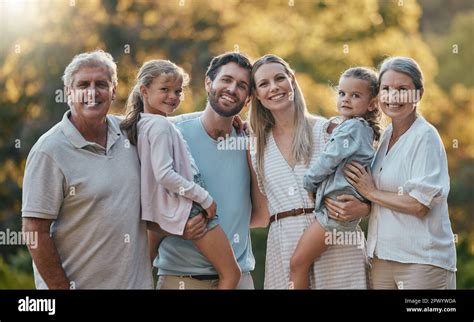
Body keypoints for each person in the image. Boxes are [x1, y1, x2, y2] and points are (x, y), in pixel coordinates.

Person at [21, 50, 153, 289]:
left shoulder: (130, 132)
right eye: (83, 84)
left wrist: (226, 120)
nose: (92, 92)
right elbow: (34, 233)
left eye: (101, 84)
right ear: (69, 92)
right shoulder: (49, 151)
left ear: (114, 91)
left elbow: (170, 127)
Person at [249, 54, 371, 289]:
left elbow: (371, 183)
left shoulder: (331, 130)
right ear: (255, 93)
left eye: (279, 78)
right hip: (283, 245)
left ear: (292, 80)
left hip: (337, 244)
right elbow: (258, 212)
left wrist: (365, 207)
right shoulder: (256, 146)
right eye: (264, 84)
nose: (274, 88)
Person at [149, 52, 268, 289]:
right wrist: (178, 228)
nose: (232, 89)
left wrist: (251, 148)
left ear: (248, 99)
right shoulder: (171, 133)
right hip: (181, 279)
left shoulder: (249, 144)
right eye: (226, 80)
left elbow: (260, 218)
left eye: (242, 85)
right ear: (208, 82)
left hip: (239, 280)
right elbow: (144, 211)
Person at [120, 59, 241, 289]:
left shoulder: (142, 125)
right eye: (164, 89)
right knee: (231, 274)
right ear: (144, 91)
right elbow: (164, 174)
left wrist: (229, 117)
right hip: (191, 206)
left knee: (142, 268)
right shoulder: (161, 126)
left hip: (170, 208)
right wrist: (204, 198)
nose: (173, 96)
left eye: (177, 91)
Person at [344, 56, 457, 289]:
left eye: (402, 89)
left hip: (422, 261)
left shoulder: (425, 137)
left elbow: (419, 204)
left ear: (419, 93)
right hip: (382, 257)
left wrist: (371, 193)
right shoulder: (385, 137)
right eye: (386, 89)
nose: (393, 96)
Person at [289, 67, 382, 289]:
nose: (346, 99)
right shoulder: (359, 127)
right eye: (342, 93)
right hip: (339, 211)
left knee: (298, 263)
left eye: (355, 95)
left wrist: (309, 182)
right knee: (306, 265)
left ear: (372, 104)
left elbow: (330, 159)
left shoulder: (352, 128)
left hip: (336, 211)